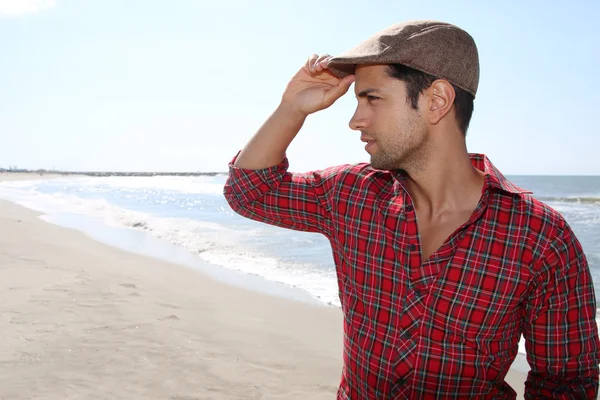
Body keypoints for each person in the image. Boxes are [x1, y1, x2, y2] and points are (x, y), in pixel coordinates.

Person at [222, 20, 600, 399]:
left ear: (436, 101)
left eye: (373, 98)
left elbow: (566, 383)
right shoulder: (352, 194)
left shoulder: (541, 238)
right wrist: (292, 109)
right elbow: (250, 193)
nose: (355, 120)